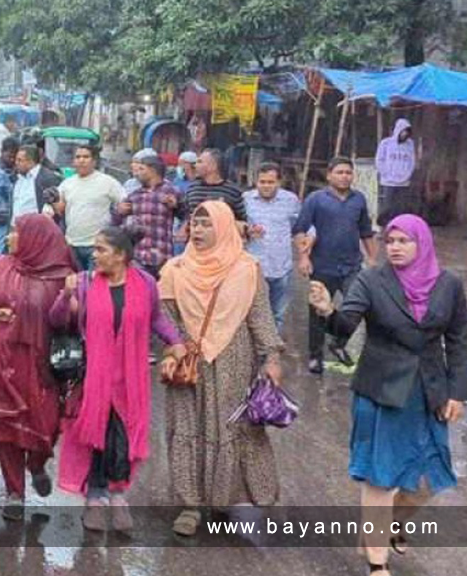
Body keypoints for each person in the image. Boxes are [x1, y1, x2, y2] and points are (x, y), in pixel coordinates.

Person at [308, 214, 466, 576]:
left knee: (430, 476)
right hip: (381, 392)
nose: (394, 247)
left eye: (403, 241)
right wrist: (327, 310)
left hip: (428, 392)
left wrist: (457, 393)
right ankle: (377, 561)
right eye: (390, 241)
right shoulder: (372, 280)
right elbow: (345, 324)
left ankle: (389, 524)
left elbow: (459, 340)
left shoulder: (448, 285)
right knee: (380, 477)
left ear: (421, 243)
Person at [158, 201, 284, 536]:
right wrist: (176, 346)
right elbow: (164, 319)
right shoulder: (174, 270)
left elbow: (260, 317)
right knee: (187, 427)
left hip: (234, 360)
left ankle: (223, 498)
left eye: (206, 224)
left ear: (225, 227)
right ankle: (189, 505)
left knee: (230, 428)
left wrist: (271, 358)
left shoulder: (247, 269)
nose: (197, 230)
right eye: (194, 223)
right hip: (188, 362)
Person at [50, 226, 185, 532]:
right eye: (94, 248)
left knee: (123, 436)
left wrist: (175, 342)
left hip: (131, 377)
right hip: (93, 377)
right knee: (95, 435)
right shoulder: (84, 283)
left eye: (101, 250)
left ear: (121, 255)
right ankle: (95, 497)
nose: (94, 255)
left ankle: (118, 495)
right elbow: (57, 320)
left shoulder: (145, 284)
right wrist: (66, 294)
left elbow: (156, 318)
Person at [0, 214, 78, 520]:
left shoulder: (62, 276)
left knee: (45, 425)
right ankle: (14, 491)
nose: (9, 237)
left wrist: (69, 299)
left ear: (36, 238)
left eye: (16, 232)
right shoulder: (2, 264)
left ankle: (37, 463)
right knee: (4, 427)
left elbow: (70, 323)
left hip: (41, 365)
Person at [293, 157, 377, 374]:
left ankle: (339, 343)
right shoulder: (316, 199)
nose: (344, 176)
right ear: (329, 175)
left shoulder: (359, 199)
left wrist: (372, 258)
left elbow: (366, 231)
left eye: (348, 172)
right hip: (322, 266)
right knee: (318, 311)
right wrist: (303, 258)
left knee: (357, 308)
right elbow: (300, 230)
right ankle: (315, 355)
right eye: (339, 172)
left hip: (351, 266)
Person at [243, 162, 302, 332]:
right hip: (254, 266)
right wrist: (248, 230)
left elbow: (300, 226)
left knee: (278, 313)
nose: (266, 186)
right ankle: (255, 344)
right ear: (256, 181)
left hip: (281, 267)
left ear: (279, 182)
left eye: (270, 182)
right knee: (252, 312)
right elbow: (236, 226)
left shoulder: (290, 200)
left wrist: (305, 247)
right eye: (262, 182)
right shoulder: (246, 199)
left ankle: (273, 345)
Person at [56, 144, 125, 270]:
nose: (81, 160)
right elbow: (59, 209)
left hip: (96, 245)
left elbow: (123, 202)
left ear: (94, 161)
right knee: (75, 280)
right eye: (78, 157)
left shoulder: (108, 182)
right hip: (72, 244)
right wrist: (53, 202)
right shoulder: (67, 184)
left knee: (94, 280)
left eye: (86, 157)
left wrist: (121, 210)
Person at [114, 155, 184, 279]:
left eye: (142, 169)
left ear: (153, 170)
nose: (137, 173)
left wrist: (176, 206)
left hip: (163, 256)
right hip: (138, 258)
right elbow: (116, 223)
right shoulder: (135, 195)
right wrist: (119, 212)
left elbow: (186, 216)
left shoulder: (172, 192)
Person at [184, 148, 246, 224]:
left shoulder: (232, 191)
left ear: (213, 166)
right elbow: (185, 216)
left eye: (200, 162)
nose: (195, 165)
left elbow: (242, 219)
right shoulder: (192, 188)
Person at [375, 118, 417, 226]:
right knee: (387, 206)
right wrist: (386, 174)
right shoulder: (386, 143)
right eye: (403, 131)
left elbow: (412, 161)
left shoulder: (410, 144)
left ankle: (400, 225)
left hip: (404, 182)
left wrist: (407, 175)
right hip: (388, 181)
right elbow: (379, 159)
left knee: (401, 206)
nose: (405, 134)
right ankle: (386, 226)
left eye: (407, 132)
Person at [11, 145, 63, 221]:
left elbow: (56, 209)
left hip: (37, 226)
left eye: (20, 160)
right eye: (16, 160)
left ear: (30, 162)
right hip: (16, 225)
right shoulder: (18, 178)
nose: (16, 163)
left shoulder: (48, 179)